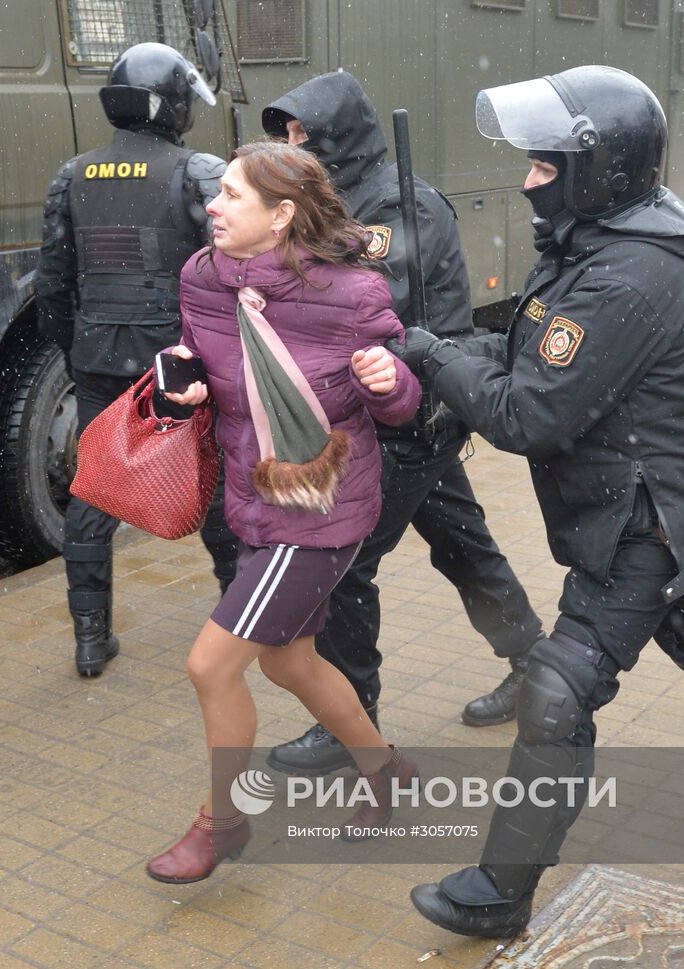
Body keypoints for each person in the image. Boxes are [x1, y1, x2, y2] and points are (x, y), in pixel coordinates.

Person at [393, 66, 684, 939]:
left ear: (596, 170)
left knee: (558, 687)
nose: (529, 176)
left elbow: (528, 411)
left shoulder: (624, 275)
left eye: (545, 162)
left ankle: (499, 890)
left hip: (651, 516)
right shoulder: (594, 245)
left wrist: (428, 354)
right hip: (655, 498)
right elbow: (532, 357)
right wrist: (455, 353)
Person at [201, 73, 543, 775]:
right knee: (462, 541)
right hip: (403, 415)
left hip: (406, 419)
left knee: (344, 570)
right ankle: (533, 663)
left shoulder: (394, 209)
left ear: (339, 137)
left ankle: (352, 719)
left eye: (303, 134)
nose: (292, 145)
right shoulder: (341, 202)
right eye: (287, 134)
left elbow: (361, 306)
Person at [144, 140, 422, 884]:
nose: (214, 204)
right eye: (220, 192)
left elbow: (402, 404)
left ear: (282, 216)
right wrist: (187, 385)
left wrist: (386, 379)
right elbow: (197, 357)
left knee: (210, 664)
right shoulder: (202, 278)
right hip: (253, 501)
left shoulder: (352, 295)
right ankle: (386, 771)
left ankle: (222, 822)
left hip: (321, 511)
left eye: (233, 194)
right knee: (288, 660)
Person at [35, 42, 227, 677]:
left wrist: (78, 346)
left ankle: (90, 638)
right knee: (215, 483)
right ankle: (244, 620)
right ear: (171, 104)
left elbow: (53, 283)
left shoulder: (73, 174)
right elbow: (232, 276)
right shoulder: (200, 171)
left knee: (96, 489)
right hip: (180, 363)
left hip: (98, 357)